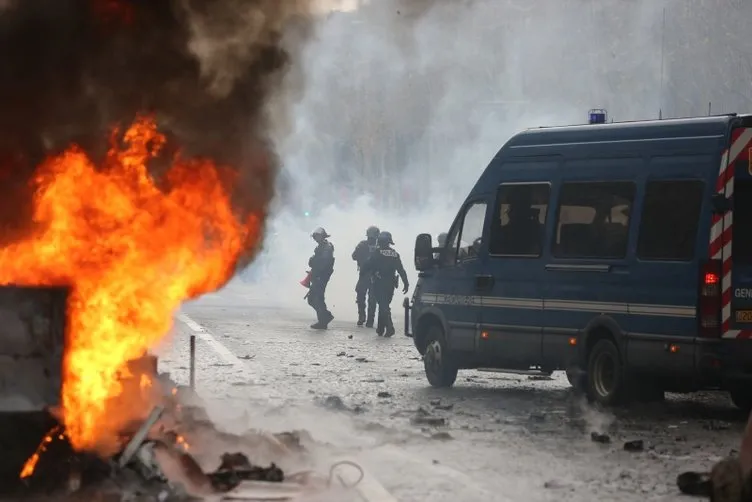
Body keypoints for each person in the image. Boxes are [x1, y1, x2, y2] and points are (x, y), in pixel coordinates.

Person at [364, 231, 408, 337]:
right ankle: (380, 328)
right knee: (384, 305)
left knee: (383, 306)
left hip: (379, 282)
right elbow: (401, 269)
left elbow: (367, 265)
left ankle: (390, 327)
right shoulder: (394, 254)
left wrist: (365, 272)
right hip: (391, 284)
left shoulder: (377, 252)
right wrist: (406, 283)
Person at [351, 225, 380, 327]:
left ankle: (363, 317)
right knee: (370, 298)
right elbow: (354, 257)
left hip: (367, 274)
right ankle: (368, 320)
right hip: (373, 275)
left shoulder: (363, 244)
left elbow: (354, 256)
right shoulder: (379, 246)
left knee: (363, 296)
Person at [307, 227, 335, 330]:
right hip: (318, 275)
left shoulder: (326, 247)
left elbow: (323, 263)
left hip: (321, 276)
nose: (315, 238)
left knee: (317, 298)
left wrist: (313, 262)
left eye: (317, 236)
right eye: (315, 236)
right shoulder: (322, 247)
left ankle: (323, 320)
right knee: (313, 299)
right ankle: (325, 317)